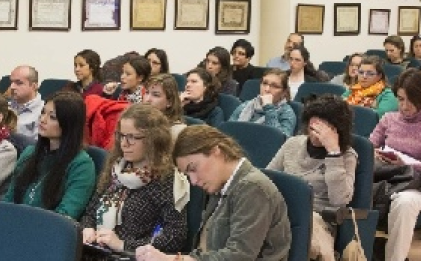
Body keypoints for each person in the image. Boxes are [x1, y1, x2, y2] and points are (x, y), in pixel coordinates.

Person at [135, 125, 292, 261]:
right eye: (188, 175)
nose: (194, 181)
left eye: (193, 168)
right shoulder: (221, 185)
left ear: (216, 151)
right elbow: (207, 248)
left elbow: (238, 257)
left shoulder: (253, 188)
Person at [80, 104, 188, 253]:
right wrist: (88, 229)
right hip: (96, 250)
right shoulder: (116, 168)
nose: (124, 144)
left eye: (132, 137)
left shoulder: (165, 178)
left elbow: (175, 236)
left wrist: (123, 245)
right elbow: (90, 212)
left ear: (153, 140)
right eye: (121, 136)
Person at [267, 94, 357, 261]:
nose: (317, 134)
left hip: (318, 219)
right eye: (313, 126)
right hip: (281, 211)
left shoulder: (347, 156)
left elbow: (340, 200)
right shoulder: (292, 144)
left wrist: (333, 153)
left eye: (324, 128)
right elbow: (268, 179)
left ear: (337, 129)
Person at [3, 92, 96, 220]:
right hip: (13, 224)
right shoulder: (30, 152)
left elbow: (66, 214)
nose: (42, 119)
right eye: (43, 112)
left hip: (47, 233)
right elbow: (9, 198)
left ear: (68, 124)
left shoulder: (81, 165)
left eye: (52, 117)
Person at [369, 68, 421, 261]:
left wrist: (407, 164)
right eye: (400, 99)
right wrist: (375, 153)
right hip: (387, 177)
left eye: (411, 100)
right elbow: (368, 147)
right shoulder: (388, 119)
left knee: (405, 203)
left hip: (415, 182)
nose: (404, 106)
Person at [229, 68, 296, 137]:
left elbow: (281, 139)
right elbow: (229, 129)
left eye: (274, 86)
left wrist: (269, 108)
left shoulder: (287, 112)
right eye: (264, 83)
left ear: (284, 92)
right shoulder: (247, 105)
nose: (267, 89)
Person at [143, 73, 186, 140]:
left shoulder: (178, 132)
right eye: (147, 92)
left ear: (170, 102)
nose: (148, 99)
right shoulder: (138, 123)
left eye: (156, 95)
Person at [7, 65, 44, 140]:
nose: (12, 87)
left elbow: (36, 146)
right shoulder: (6, 107)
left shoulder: (43, 112)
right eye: (11, 82)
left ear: (34, 86)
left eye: (18, 83)